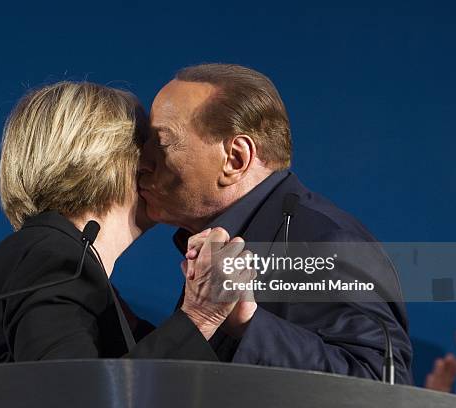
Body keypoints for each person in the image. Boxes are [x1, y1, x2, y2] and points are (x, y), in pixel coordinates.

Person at [138, 63, 413, 383]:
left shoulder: (325, 242)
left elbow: (380, 387)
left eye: (162, 142)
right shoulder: (223, 238)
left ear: (235, 159)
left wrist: (247, 323)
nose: (143, 161)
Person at [0, 82, 254, 367]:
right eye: (147, 145)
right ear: (105, 157)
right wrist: (200, 315)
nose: (155, 165)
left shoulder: (58, 260)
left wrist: (228, 322)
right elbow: (74, 398)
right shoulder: (53, 260)